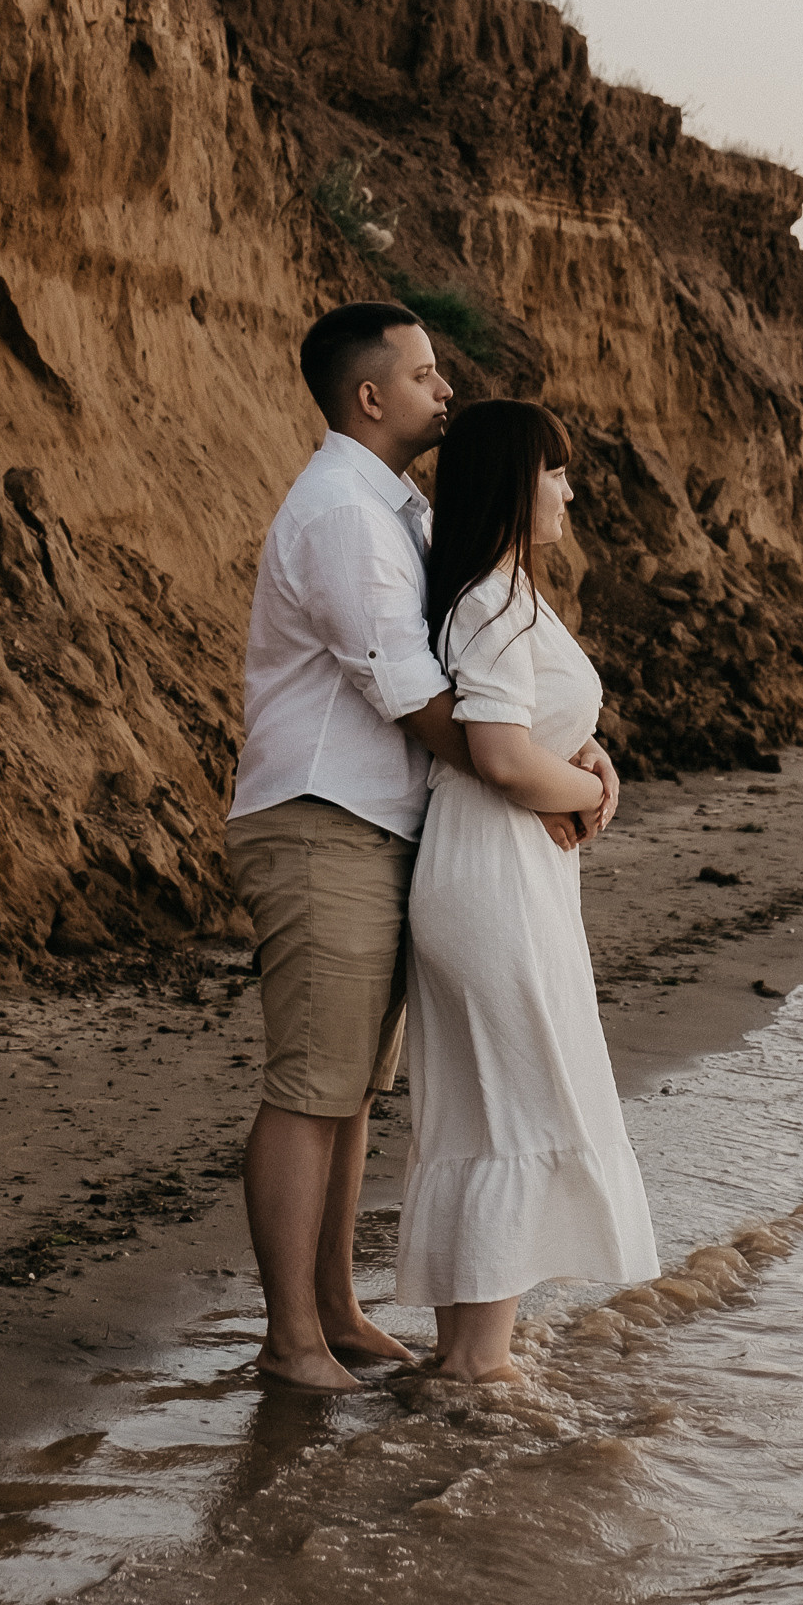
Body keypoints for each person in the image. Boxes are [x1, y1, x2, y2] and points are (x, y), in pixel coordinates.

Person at [225, 303, 618, 1390]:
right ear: (369, 395)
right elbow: (424, 703)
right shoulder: (346, 515)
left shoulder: (392, 508)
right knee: (312, 1082)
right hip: (322, 817)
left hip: (383, 827)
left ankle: (338, 1311)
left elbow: (483, 689)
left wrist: (566, 759)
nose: (444, 389)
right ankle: (291, 1339)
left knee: (349, 1084)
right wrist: (547, 780)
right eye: (424, 372)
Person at [394, 398, 659, 1378]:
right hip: (492, 876)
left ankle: (465, 1357)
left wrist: (592, 767)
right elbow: (502, 757)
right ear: (512, 480)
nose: (569, 488)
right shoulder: (488, 600)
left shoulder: (500, 591)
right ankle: (481, 1366)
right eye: (554, 470)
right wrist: (587, 785)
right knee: (521, 1106)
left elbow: (530, 735)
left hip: (502, 870)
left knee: (488, 1109)